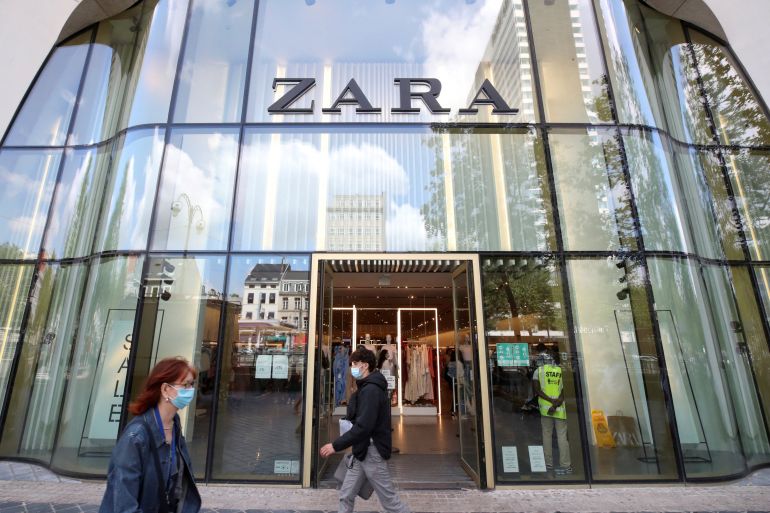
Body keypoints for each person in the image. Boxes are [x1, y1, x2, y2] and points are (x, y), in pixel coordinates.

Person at [100, 357, 202, 513]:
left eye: (192, 384)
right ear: (165, 389)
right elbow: (124, 502)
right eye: (185, 385)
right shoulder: (136, 436)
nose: (190, 390)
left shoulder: (174, 424)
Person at [320, 347, 410, 513]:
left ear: (365, 365)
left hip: (372, 452)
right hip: (362, 450)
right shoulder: (366, 388)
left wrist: (335, 445)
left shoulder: (371, 390)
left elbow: (364, 426)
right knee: (346, 495)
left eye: (355, 363)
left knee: (390, 503)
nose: (352, 367)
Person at [532, 343, 572, 475]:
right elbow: (565, 390)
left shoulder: (539, 371)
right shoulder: (561, 371)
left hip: (545, 408)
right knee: (562, 436)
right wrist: (556, 404)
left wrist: (550, 402)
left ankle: (548, 463)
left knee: (547, 435)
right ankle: (566, 465)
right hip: (560, 408)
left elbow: (537, 390)